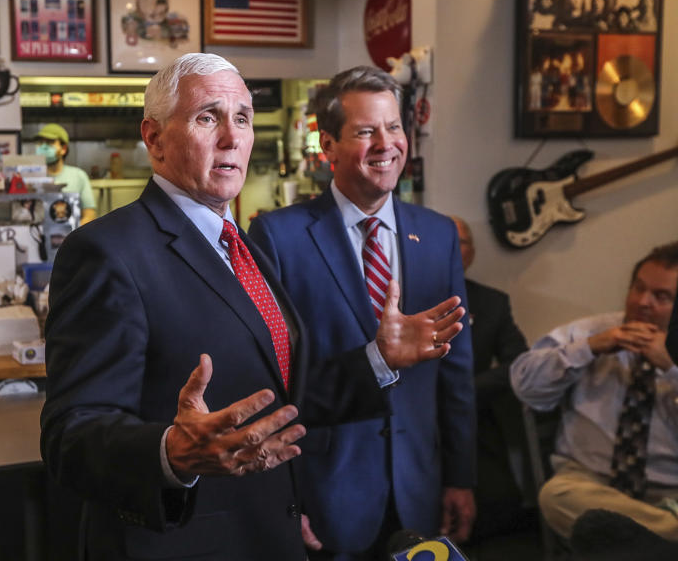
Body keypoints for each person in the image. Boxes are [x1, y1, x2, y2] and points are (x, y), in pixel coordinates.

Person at [40, 53, 423, 560]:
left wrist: (379, 359)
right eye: (207, 117)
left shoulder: (240, 246)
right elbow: (71, 436)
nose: (232, 137)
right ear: (153, 138)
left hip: (269, 531)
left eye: (242, 117)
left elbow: (281, 396)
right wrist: (171, 452)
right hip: (183, 543)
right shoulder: (106, 252)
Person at [248, 66, 475, 559]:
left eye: (393, 127)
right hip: (325, 491)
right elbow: (266, 382)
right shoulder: (278, 238)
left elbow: (456, 372)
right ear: (327, 145)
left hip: (419, 485)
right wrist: (282, 496)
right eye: (366, 131)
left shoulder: (437, 235)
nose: (386, 144)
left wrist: (460, 478)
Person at [510, 241, 678, 542]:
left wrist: (671, 368)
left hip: (671, 491)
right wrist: (589, 349)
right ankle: (664, 539)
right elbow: (525, 386)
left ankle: (640, 540)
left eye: (661, 297)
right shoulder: (589, 332)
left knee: (602, 531)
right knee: (556, 496)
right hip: (591, 485)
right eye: (638, 288)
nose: (642, 302)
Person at [451, 216, 532, 541]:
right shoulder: (402, 298)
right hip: (416, 423)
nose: (454, 250)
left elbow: (521, 363)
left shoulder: (493, 303)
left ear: (471, 253)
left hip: (472, 418)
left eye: (462, 243)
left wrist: (468, 391)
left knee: (501, 504)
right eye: (446, 243)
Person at [35, 123, 96, 225]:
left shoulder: (78, 176)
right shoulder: (31, 177)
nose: (43, 147)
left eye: (50, 142)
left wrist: (74, 234)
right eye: (41, 142)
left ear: (63, 149)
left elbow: (89, 214)